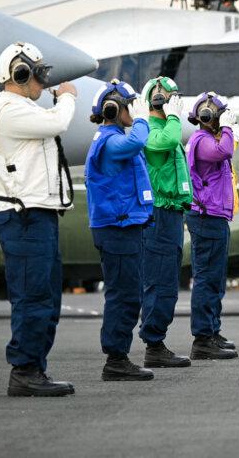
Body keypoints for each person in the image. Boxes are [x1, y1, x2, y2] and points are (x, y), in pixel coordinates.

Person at [0, 42, 77, 397]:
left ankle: (34, 367)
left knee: (47, 297)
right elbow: (59, 122)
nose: (44, 81)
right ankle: (24, 371)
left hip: (37, 215)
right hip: (23, 217)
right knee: (33, 296)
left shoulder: (20, 110)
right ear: (20, 75)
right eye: (39, 74)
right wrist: (67, 96)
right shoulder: (9, 110)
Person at [85, 79, 155, 381]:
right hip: (117, 229)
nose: (134, 110)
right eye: (130, 105)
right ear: (114, 109)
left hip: (124, 226)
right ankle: (116, 360)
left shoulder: (112, 136)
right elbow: (137, 142)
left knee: (128, 293)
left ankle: (118, 358)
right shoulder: (111, 140)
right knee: (123, 295)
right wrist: (142, 117)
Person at [137, 76, 192, 368]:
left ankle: (157, 341)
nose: (175, 102)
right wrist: (173, 114)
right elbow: (170, 140)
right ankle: (154, 344)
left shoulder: (166, 126)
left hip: (171, 213)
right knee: (159, 281)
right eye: (170, 97)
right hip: (158, 214)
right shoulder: (150, 130)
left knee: (168, 281)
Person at [185, 92, 239, 360]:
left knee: (215, 280)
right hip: (206, 217)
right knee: (207, 278)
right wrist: (228, 129)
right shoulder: (201, 140)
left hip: (216, 216)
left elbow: (225, 153)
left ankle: (212, 331)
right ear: (209, 117)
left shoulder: (208, 140)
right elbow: (224, 151)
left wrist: (230, 133)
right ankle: (202, 339)